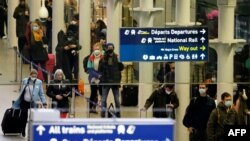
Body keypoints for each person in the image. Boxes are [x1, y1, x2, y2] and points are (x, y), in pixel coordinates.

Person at [12, 69, 47, 137]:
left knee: (33, 118)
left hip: (33, 102)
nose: (33, 77)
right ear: (30, 75)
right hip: (25, 101)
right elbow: (22, 90)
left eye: (35, 75)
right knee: (24, 116)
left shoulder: (39, 82)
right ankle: (23, 129)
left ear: (37, 76)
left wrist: (44, 103)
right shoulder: (25, 80)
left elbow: (41, 93)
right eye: (32, 75)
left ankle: (32, 132)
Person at [99, 43, 124, 118]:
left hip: (115, 82)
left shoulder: (116, 57)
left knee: (117, 99)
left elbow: (121, 68)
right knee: (103, 99)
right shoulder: (103, 57)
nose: (110, 49)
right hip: (105, 81)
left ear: (113, 48)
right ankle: (103, 113)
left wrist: (120, 62)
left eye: (111, 47)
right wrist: (104, 59)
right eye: (109, 47)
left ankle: (118, 113)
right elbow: (100, 69)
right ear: (106, 48)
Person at [87, 42, 103, 113]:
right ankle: (91, 108)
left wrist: (101, 75)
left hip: (102, 78)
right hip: (93, 78)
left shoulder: (103, 56)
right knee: (93, 93)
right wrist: (97, 75)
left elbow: (104, 68)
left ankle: (103, 108)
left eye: (98, 47)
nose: (97, 48)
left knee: (102, 94)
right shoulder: (91, 57)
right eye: (95, 47)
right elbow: (89, 68)